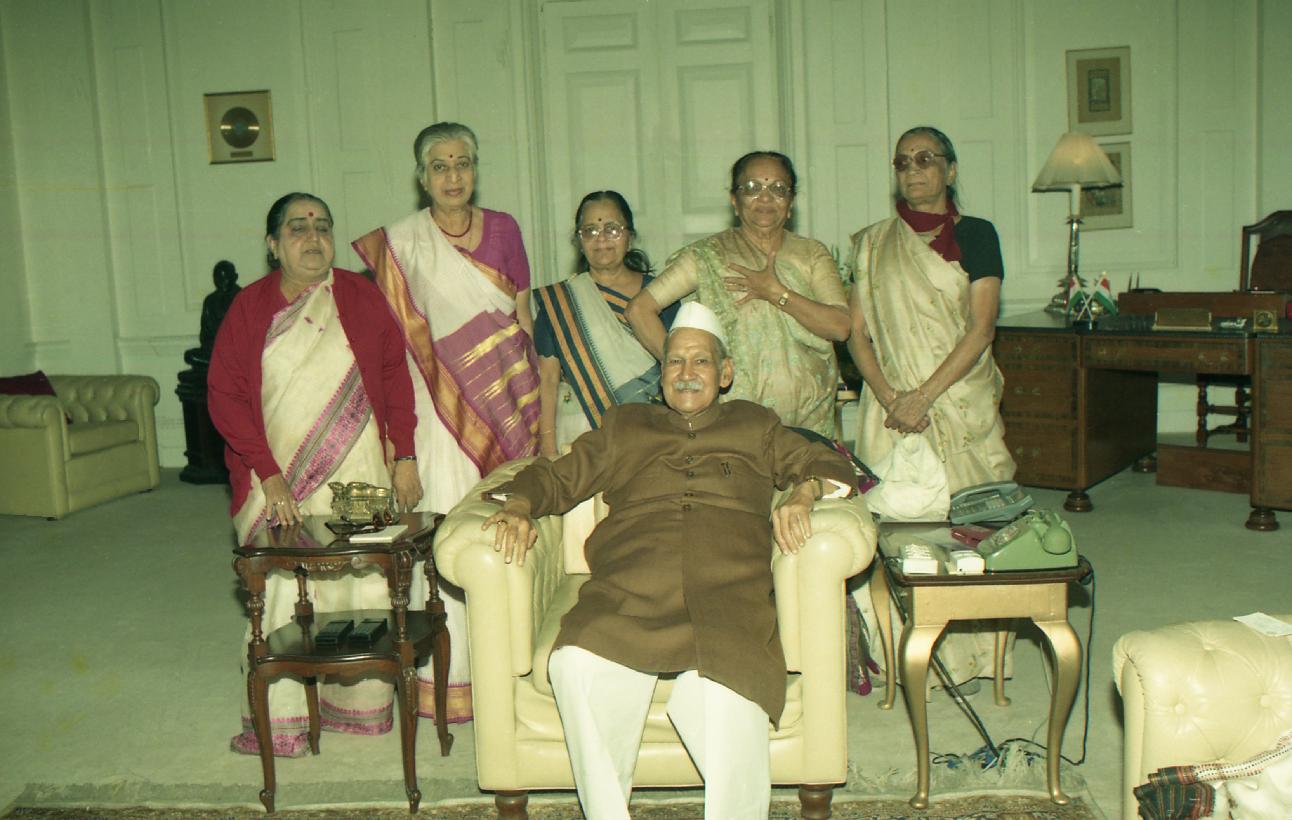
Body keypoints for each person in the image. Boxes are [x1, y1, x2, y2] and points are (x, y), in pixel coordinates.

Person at [483, 302, 856, 819]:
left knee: (725, 696)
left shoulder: (756, 424)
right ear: (661, 376)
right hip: (629, 588)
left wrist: (804, 492)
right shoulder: (625, 425)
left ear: (725, 373)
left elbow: (825, 461)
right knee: (573, 664)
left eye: (701, 361)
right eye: (675, 362)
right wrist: (520, 505)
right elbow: (557, 476)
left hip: (728, 592)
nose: (686, 373)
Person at [208, 192, 421, 756]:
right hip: (275, 477)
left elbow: (394, 376)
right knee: (282, 587)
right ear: (273, 244)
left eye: (322, 226)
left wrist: (405, 457)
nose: (313, 237)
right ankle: (282, 723)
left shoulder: (360, 296)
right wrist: (269, 474)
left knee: (362, 579)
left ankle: (359, 706)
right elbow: (225, 396)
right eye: (297, 228)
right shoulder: (250, 308)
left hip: (360, 470)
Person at [351, 121, 539, 724]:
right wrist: (397, 441)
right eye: (440, 166)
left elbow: (522, 317)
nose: (453, 176)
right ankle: (449, 682)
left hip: (508, 400)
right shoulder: (402, 243)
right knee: (444, 530)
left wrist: (531, 405)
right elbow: (393, 344)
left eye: (463, 163)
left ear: (475, 170)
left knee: (506, 527)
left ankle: (510, 674)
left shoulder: (505, 228)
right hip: (437, 406)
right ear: (421, 176)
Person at [846, 125, 1017, 687]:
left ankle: (977, 657)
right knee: (901, 531)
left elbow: (981, 328)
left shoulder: (978, 234)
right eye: (903, 161)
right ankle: (905, 656)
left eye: (926, 158)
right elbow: (856, 334)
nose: (913, 169)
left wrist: (924, 395)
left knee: (972, 527)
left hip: (958, 399)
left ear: (950, 169)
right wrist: (892, 397)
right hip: (890, 404)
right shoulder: (872, 244)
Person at [625, 151, 850, 438]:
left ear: (791, 203)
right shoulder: (707, 255)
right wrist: (688, 370)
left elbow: (840, 327)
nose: (765, 198)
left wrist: (776, 292)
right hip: (733, 426)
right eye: (752, 188)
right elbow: (639, 310)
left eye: (778, 189)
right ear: (734, 200)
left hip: (809, 423)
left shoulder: (811, 254)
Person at [532, 190, 678, 456]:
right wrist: (549, 449)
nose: (601, 239)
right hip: (583, 432)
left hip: (655, 430)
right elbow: (549, 379)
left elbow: (681, 366)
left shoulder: (660, 295)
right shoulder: (560, 304)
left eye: (612, 229)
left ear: (629, 236)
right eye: (590, 231)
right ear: (579, 241)